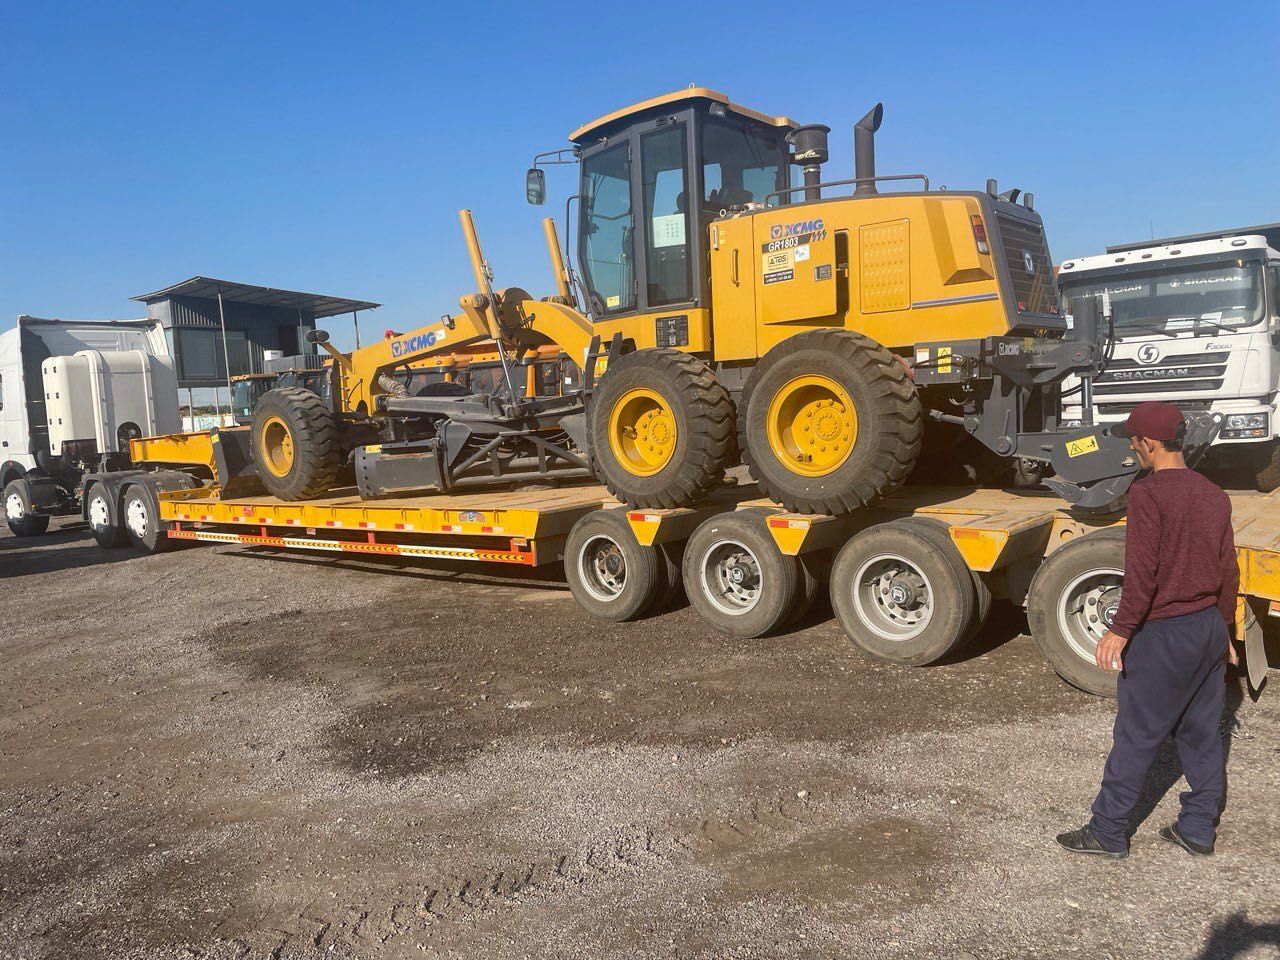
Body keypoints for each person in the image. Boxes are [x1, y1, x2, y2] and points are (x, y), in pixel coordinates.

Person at [1056, 401, 1239, 860]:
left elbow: (1142, 575)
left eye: (1134, 441)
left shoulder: (1148, 495)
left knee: (1137, 736)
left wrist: (1119, 630)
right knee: (1202, 733)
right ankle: (1197, 827)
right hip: (1207, 629)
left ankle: (1107, 831)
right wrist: (1227, 633)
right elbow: (1228, 571)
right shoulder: (1214, 493)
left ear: (1151, 444)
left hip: (1165, 635)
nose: (1133, 449)